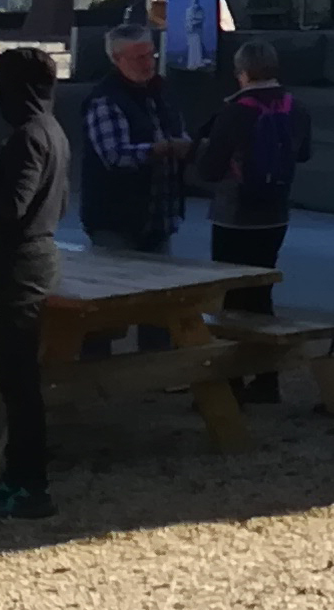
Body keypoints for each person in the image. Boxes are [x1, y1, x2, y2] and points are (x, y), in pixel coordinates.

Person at [0, 46, 65, 520]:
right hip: (38, 255)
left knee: (18, 382)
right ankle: (25, 477)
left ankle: (28, 483)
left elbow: (13, 203)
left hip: (18, 266)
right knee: (22, 381)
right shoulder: (53, 131)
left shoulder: (27, 137)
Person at [185, 37, 312, 403]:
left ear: (241, 72)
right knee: (261, 294)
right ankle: (267, 377)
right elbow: (303, 153)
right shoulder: (296, 107)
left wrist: (198, 150)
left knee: (230, 299)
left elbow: (209, 169)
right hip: (275, 213)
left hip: (235, 214)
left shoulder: (236, 110)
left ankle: (232, 380)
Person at [79, 21, 193, 353]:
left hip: (158, 217)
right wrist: (160, 150)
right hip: (116, 219)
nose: (147, 63)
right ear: (117, 59)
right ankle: (93, 369)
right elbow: (114, 156)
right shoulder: (104, 99)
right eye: (138, 57)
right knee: (105, 304)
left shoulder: (161, 90)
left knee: (160, 303)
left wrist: (183, 145)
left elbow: (179, 130)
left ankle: (155, 370)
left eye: (150, 54)